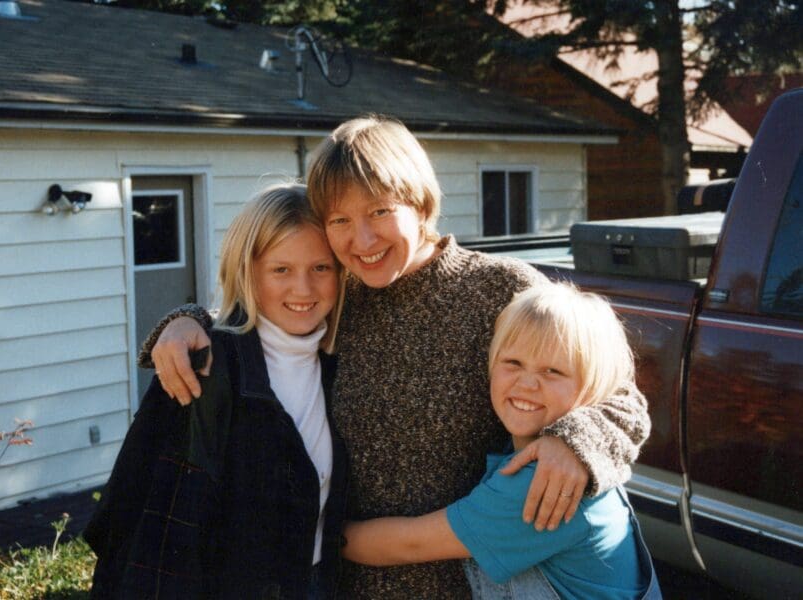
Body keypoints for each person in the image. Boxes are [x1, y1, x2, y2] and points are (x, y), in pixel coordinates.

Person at [141, 116, 651, 598]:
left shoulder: (501, 289)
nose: (361, 240)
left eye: (380, 212)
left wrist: (576, 441)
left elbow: (622, 396)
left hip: (472, 584)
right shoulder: (338, 293)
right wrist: (185, 320)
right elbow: (258, 314)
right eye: (339, 219)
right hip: (345, 584)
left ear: (421, 203)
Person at [84, 183, 348, 598]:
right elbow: (144, 522)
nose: (304, 289)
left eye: (321, 268)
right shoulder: (204, 365)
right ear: (248, 271)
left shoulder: (342, 362)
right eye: (281, 270)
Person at [341, 283, 662, 600]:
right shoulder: (545, 449)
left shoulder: (543, 486)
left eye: (552, 371)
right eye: (513, 363)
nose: (527, 383)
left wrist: (317, 534)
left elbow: (413, 544)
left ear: (593, 389)